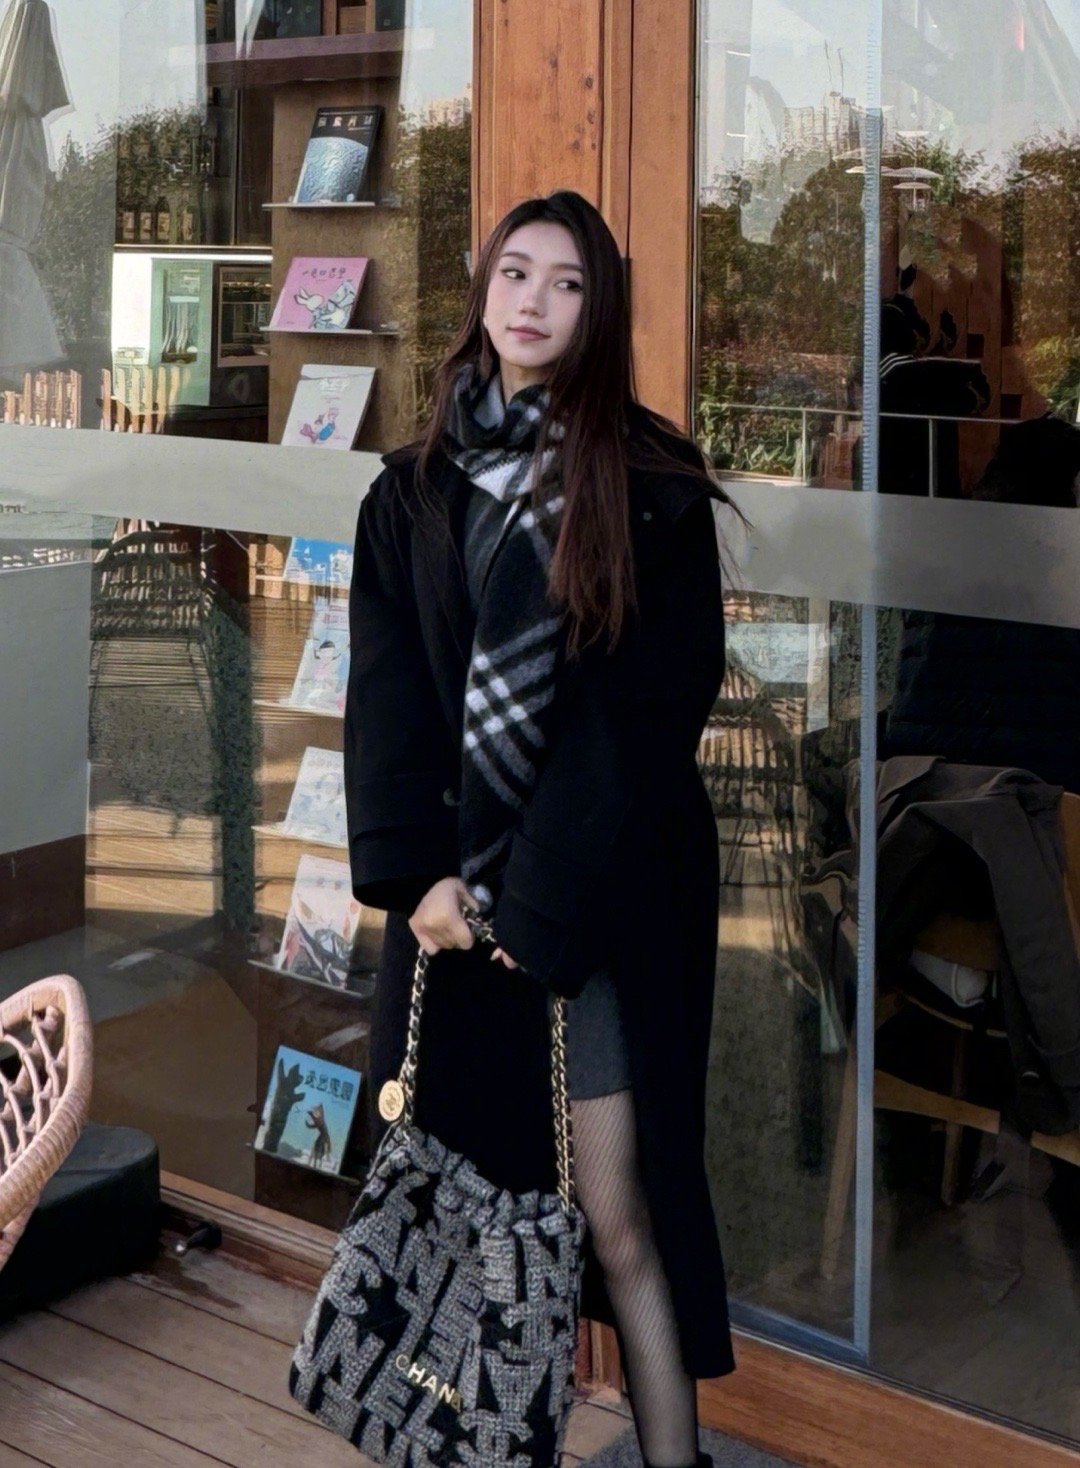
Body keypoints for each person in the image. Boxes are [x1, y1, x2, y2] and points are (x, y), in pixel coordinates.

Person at [344, 189, 734, 1468]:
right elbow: (388, 699)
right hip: (453, 917)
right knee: (455, 1211)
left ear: (597, 309)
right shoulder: (413, 488)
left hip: (589, 908)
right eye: (515, 272)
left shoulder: (651, 484)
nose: (533, 302)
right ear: (483, 287)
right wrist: (417, 880)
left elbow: (642, 714)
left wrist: (541, 904)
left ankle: (673, 1456)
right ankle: (464, 1446)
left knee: (615, 1215)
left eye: (567, 283)